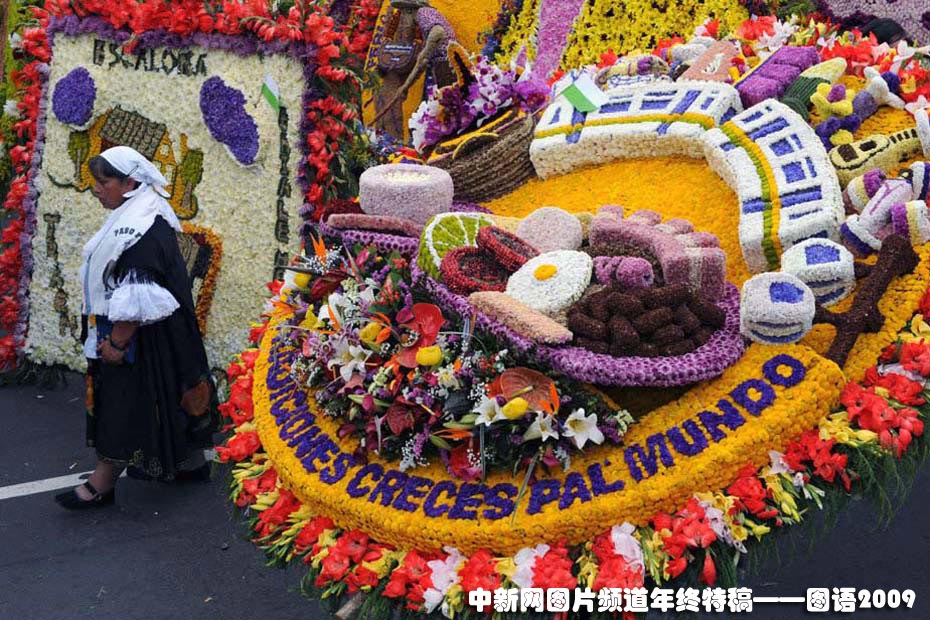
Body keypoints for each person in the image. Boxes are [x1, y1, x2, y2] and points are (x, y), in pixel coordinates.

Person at [55, 146, 217, 510]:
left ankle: (102, 483)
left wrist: (115, 343)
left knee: (120, 403)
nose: (97, 189)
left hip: (141, 341)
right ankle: (190, 464)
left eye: (104, 182)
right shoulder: (143, 213)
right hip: (166, 335)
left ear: (129, 183)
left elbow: (136, 298)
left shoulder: (139, 230)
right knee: (171, 394)